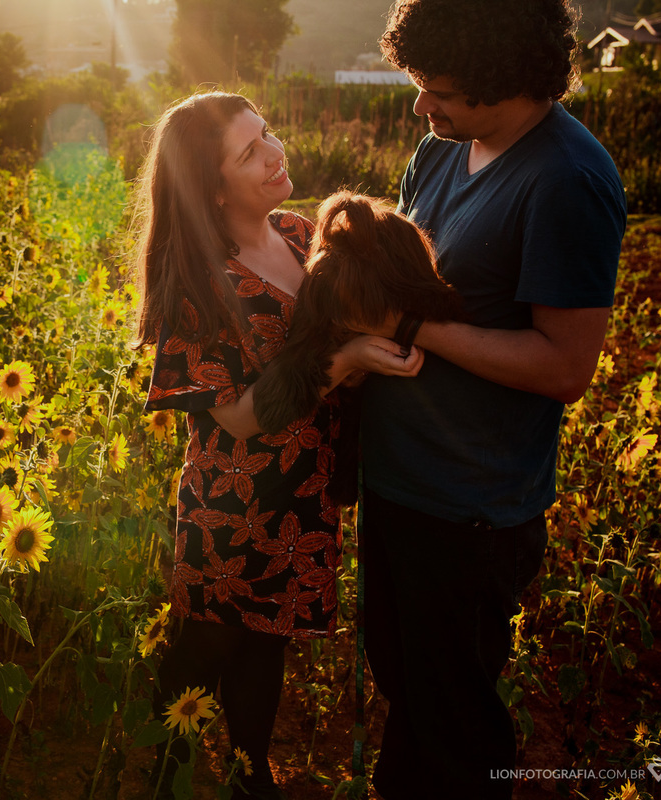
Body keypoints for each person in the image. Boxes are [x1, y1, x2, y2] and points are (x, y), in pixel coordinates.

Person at [358, 1, 628, 798]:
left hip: (471, 504)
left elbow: (563, 366)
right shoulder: (443, 151)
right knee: (409, 697)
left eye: (437, 89)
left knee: (455, 733)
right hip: (399, 479)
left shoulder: (567, 180)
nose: (420, 107)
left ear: (507, 79)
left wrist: (412, 325)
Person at [133, 92, 423, 798]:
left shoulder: (299, 233)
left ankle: (249, 772)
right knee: (209, 643)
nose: (275, 153)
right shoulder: (202, 283)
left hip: (303, 492)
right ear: (213, 186)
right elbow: (235, 417)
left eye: (268, 133)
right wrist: (349, 359)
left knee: (268, 638)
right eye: (250, 152)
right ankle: (162, 768)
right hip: (232, 504)